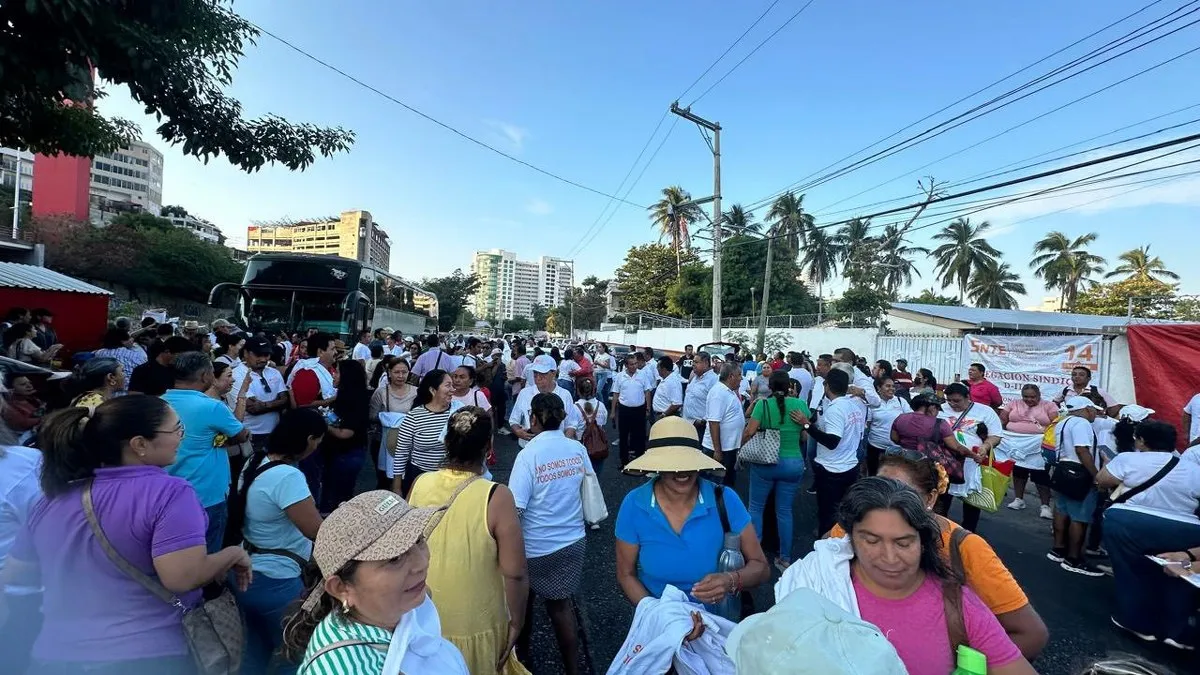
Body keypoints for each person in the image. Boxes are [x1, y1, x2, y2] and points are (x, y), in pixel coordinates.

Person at [0, 398, 252, 675]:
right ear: (139, 444)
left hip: (55, 655)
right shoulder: (170, 493)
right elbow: (182, 577)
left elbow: (16, 573)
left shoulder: (53, 498)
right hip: (145, 655)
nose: (182, 436)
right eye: (177, 429)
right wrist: (233, 554)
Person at [777, 477, 1035, 675]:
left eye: (903, 543)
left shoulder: (958, 605)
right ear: (849, 537)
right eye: (871, 540)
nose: (889, 558)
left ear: (923, 542)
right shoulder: (816, 584)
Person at [827, 453, 1049, 659]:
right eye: (878, 489)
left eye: (903, 495)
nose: (886, 503)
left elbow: (1031, 634)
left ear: (930, 498)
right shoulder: (848, 530)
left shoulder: (965, 548)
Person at [280, 491, 467, 675]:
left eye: (418, 540)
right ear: (341, 588)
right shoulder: (346, 668)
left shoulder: (396, 613)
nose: (422, 563)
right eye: (394, 558)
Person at [408, 407, 531, 675]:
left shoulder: (420, 483)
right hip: (477, 621)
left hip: (423, 616)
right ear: (488, 446)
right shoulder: (496, 496)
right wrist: (517, 623)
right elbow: (516, 573)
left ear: (447, 442)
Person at [616, 416, 771, 613]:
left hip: (718, 622)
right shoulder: (634, 504)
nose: (682, 472)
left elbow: (761, 568)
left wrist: (730, 580)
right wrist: (658, 615)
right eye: (671, 464)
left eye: (688, 462)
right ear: (656, 467)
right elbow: (625, 574)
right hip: (659, 623)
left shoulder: (724, 499)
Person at [232, 408, 326, 675]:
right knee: (294, 654)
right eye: (318, 441)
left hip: (247, 570)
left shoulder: (255, 461)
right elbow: (315, 530)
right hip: (277, 580)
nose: (317, 447)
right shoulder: (288, 476)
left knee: (255, 651)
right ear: (309, 439)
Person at [1098, 420, 1200, 648]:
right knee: (1181, 574)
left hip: (1130, 523)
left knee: (1131, 570)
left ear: (1142, 441)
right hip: (1185, 529)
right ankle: (1178, 630)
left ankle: (1138, 622)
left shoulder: (1129, 459)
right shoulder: (1193, 468)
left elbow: (1103, 480)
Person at [509, 394, 591, 675]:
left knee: (523, 606)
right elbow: (587, 486)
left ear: (533, 418)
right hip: (573, 540)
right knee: (561, 608)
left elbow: (516, 509)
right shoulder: (576, 448)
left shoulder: (528, 455)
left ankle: (522, 660)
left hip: (535, 546)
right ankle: (573, 668)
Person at [162, 352, 249, 552]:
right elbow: (241, 434)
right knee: (206, 554)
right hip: (206, 495)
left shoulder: (158, 402)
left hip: (165, 493)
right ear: (205, 376)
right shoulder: (212, 407)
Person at [742, 370, 809, 571]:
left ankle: (754, 556)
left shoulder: (763, 405)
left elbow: (750, 431)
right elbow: (805, 437)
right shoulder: (800, 405)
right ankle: (784, 558)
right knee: (785, 511)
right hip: (793, 463)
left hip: (765, 463)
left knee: (755, 508)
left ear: (769, 386)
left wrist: (742, 447)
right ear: (789, 386)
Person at [794, 368, 866, 534]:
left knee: (828, 513)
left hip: (832, 469)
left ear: (827, 386)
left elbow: (832, 441)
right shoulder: (853, 406)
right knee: (843, 511)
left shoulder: (835, 410)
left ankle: (826, 545)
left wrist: (806, 425)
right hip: (849, 465)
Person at [1047, 396, 1105, 577]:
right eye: (1093, 409)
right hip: (1079, 472)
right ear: (1086, 409)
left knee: (1061, 510)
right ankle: (1074, 559)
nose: (1095, 413)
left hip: (1062, 470)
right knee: (1079, 516)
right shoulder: (1081, 423)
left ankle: (1058, 549)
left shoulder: (1063, 422)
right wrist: (1096, 476)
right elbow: (1082, 450)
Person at [940, 383, 1002, 532]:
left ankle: (968, 533)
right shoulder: (940, 409)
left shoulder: (985, 411)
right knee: (943, 496)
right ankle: (941, 531)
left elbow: (996, 435)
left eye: (957, 400)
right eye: (949, 400)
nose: (952, 404)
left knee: (971, 500)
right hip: (945, 461)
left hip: (972, 462)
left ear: (968, 397)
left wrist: (985, 447)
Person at [393, 369, 455, 496]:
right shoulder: (414, 417)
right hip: (419, 477)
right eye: (448, 385)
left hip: (451, 479)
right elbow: (401, 453)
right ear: (433, 390)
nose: (453, 389)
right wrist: (397, 487)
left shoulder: (458, 412)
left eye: (452, 385)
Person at [1001, 384, 1060, 519]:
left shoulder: (1048, 406)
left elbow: (1055, 422)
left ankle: (1045, 506)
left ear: (1039, 395)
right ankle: (1018, 499)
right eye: (1026, 397)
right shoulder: (1014, 403)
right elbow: (1003, 418)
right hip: (1016, 442)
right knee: (1018, 472)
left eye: (1033, 397)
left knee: (1040, 474)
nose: (1029, 400)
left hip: (1038, 444)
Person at [319, 360, 370, 512]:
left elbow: (345, 433)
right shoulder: (343, 396)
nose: (334, 375)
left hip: (346, 454)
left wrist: (323, 424)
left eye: (338, 372)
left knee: (338, 499)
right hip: (340, 453)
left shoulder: (353, 400)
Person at [510, 354, 579, 449]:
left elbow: (571, 423)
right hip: (528, 447)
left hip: (556, 449)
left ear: (554, 373)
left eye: (543, 373)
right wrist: (518, 432)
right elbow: (514, 420)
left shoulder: (565, 395)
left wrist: (563, 444)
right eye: (535, 372)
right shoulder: (524, 393)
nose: (538, 377)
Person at [237, 336, 290, 452]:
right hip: (251, 435)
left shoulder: (274, 372)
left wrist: (265, 405)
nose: (263, 359)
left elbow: (286, 400)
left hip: (275, 432)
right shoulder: (237, 374)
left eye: (266, 355)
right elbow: (252, 408)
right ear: (246, 353)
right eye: (258, 355)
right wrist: (277, 403)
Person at [704, 361, 746, 487]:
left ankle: (723, 504)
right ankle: (715, 506)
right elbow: (714, 422)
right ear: (731, 376)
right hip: (719, 449)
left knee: (727, 483)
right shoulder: (718, 393)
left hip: (729, 447)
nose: (741, 378)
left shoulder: (729, 391)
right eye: (739, 375)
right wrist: (717, 450)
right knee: (715, 484)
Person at [865, 375, 906, 475]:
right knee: (875, 476)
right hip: (876, 449)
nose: (892, 389)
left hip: (897, 450)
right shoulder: (872, 404)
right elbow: (868, 425)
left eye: (893, 386)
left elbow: (910, 419)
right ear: (878, 388)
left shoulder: (901, 402)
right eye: (888, 386)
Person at [127, 335, 193, 396]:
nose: (183, 359)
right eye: (180, 356)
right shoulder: (142, 370)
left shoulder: (180, 370)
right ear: (167, 351)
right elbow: (135, 396)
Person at [287, 332, 338, 408]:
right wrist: (330, 400)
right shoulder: (307, 372)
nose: (336, 352)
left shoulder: (330, 368)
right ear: (320, 352)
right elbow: (301, 404)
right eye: (333, 349)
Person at [1054, 365, 1118, 415]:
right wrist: (1063, 413)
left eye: (1081, 375)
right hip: (1071, 421)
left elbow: (1114, 407)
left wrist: (1104, 416)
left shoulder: (1097, 391)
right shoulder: (1065, 390)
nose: (1077, 377)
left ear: (1089, 378)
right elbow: (1054, 404)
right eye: (1074, 374)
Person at [1, 374, 45, 443]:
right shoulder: (8, 405)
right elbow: (23, 423)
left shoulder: (32, 398)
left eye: (29, 383)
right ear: (11, 389)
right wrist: (45, 416)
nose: (29, 386)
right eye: (23, 384)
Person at [682, 352, 717, 441]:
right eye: (693, 362)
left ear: (705, 363)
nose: (693, 364)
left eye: (696, 362)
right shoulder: (695, 377)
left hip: (700, 428)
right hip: (687, 424)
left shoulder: (713, 380)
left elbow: (715, 404)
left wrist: (702, 421)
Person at [651, 355, 684, 420]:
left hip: (666, 417)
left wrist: (664, 414)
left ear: (663, 369)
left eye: (658, 367)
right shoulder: (665, 379)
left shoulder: (673, 382)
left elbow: (677, 403)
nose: (656, 369)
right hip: (661, 415)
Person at [593, 342, 614, 410]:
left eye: (600, 347)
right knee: (595, 390)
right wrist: (594, 365)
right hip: (596, 373)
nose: (598, 348)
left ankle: (602, 406)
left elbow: (607, 366)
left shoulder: (607, 356)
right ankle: (597, 405)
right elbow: (595, 363)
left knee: (598, 391)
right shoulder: (597, 354)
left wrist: (598, 363)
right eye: (598, 347)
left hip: (603, 374)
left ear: (604, 348)